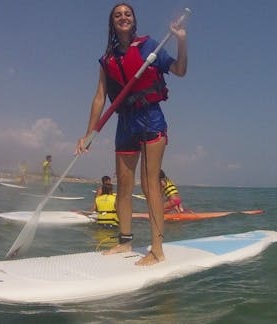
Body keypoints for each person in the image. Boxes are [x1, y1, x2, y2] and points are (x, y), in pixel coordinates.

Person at [75, 2, 187, 266]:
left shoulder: (151, 47)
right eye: (117, 15)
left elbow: (181, 71)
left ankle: (157, 251)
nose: (123, 17)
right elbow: (99, 98)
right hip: (125, 122)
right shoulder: (107, 59)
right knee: (124, 187)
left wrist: (181, 41)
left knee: (150, 185)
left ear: (133, 20)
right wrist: (88, 134)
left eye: (127, 14)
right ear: (112, 23)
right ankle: (125, 242)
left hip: (150, 117)